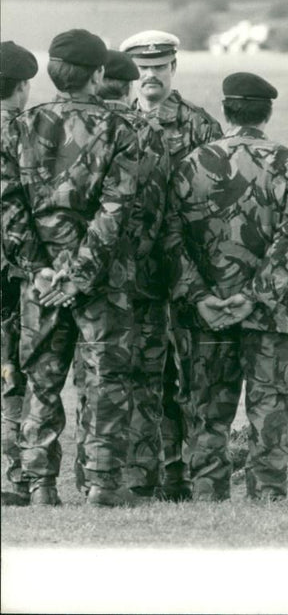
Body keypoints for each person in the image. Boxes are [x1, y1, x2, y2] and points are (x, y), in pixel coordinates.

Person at [0, 29, 139, 507]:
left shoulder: (19, 126)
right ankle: (101, 485)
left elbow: (8, 205)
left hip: (38, 282)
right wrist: (79, 273)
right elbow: (115, 210)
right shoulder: (123, 129)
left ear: (54, 72)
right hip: (103, 280)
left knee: (40, 377)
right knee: (104, 382)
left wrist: (39, 268)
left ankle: (39, 485)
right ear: (99, 75)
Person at [164, 72, 288, 502]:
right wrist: (254, 297)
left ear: (225, 110)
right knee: (269, 405)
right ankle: (267, 492)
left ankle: (208, 491)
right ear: (267, 112)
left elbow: (172, 240)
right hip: (270, 313)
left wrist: (201, 297)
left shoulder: (190, 165)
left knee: (206, 408)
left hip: (206, 314)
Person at [120, 29, 222, 501]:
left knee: (193, 375)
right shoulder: (116, 122)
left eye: (159, 66)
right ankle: (152, 472)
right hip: (133, 274)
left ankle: (192, 475)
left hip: (187, 272)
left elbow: (217, 205)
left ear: (174, 68)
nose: (150, 76)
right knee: (143, 375)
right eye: (143, 67)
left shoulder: (200, 126)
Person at [72, 50, 171, 499]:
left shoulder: (79, 130)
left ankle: (89, 471)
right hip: (145, 276)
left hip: (87, 277)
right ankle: (142, 476)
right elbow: (161, 206)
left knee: (92, 377)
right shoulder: (146, 132)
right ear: (130, 87)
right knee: (145, 380)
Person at [0, 41, 38, 506]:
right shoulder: (24, 134)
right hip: (13, 271)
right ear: (23, 87)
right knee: (14, 372)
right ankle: (16, 478)